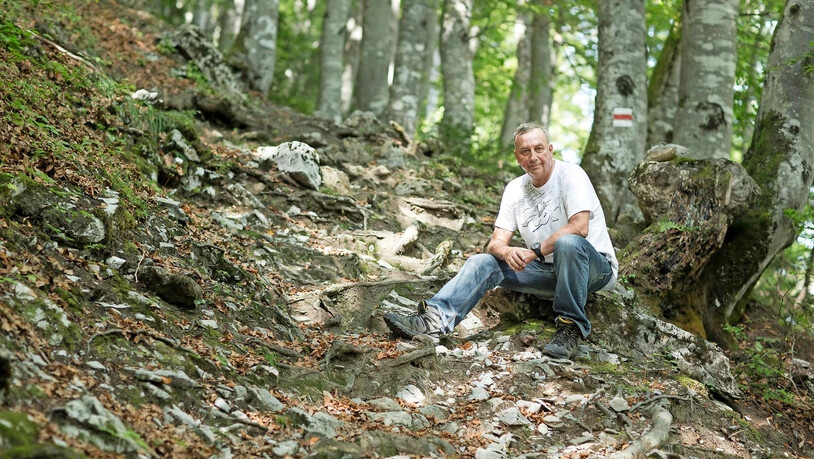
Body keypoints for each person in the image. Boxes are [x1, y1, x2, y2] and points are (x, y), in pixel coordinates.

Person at [384, 123, 618, 360]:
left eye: (539, 149)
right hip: (549, 271)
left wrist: (534, 252)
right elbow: (495, 242)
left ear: (550, 149)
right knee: (482, 262)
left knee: (568, 243)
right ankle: (433, 321)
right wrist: (506, 252)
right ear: (518, 157)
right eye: (525, 151)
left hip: (594, 269)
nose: (533, 156)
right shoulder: (515, 189)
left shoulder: (571, 174)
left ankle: (570, 328)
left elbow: (580, 227)